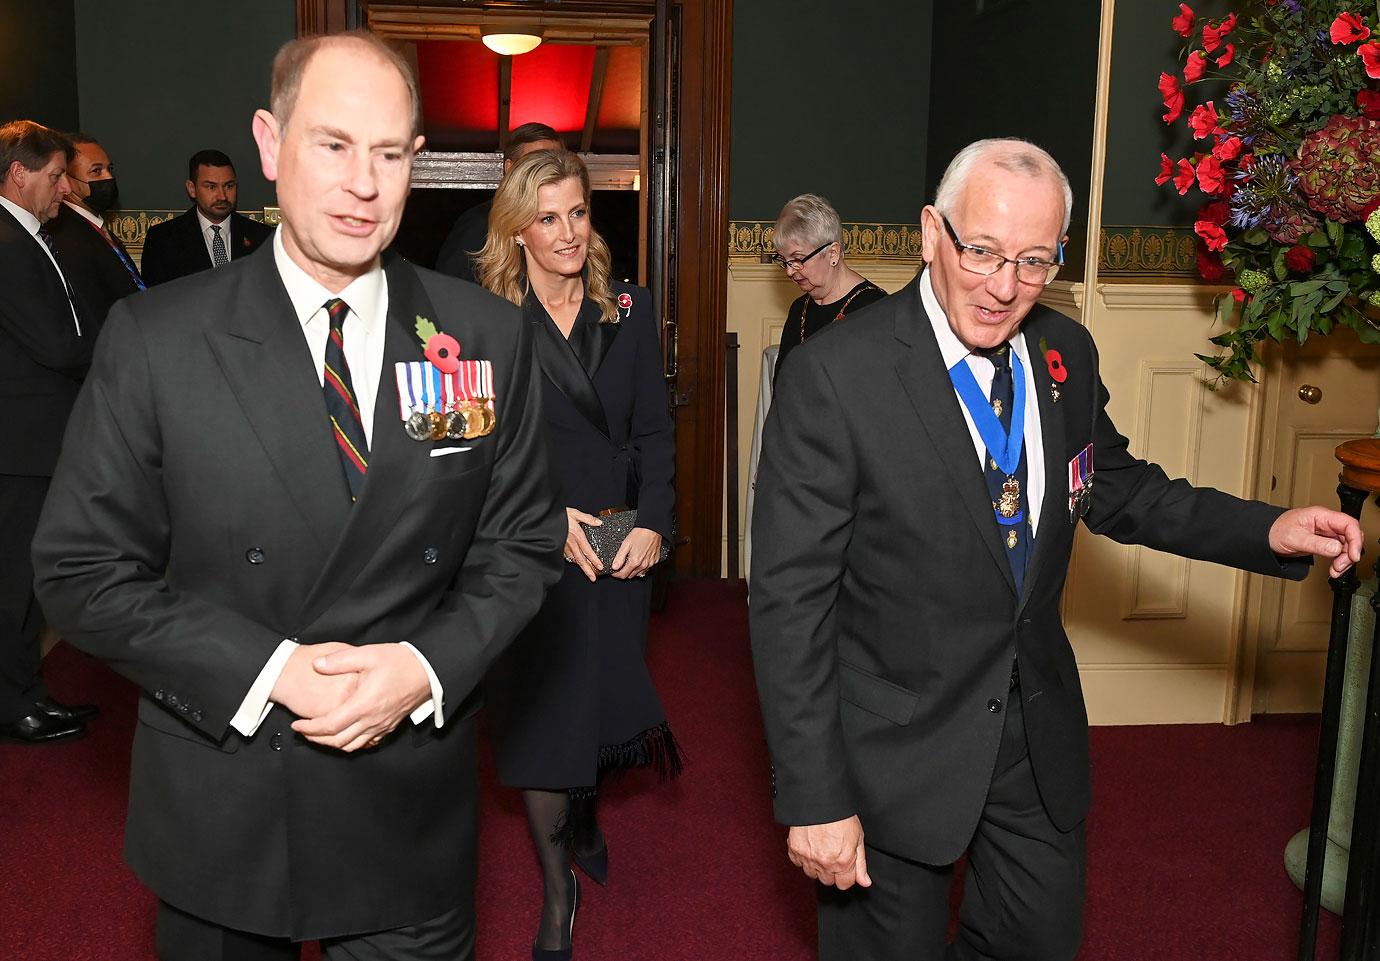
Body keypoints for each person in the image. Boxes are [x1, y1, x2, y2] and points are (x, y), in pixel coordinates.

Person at [748, 138, 1365, 961]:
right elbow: (790, 605)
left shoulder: (1064, 353)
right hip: (890, 752)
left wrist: (1267, 529)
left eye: (1035, 262)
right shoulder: (834, 377)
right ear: (932, 230)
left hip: (1033, 738)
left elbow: (1118, 486)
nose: (1004, 287)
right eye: (983, 252)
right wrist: (814, 796)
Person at [32, 30, 564, 961]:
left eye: (390, 153)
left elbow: (519, 546)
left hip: (409, 801)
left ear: (417, 163)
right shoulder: (158, 338)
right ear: (270, 145)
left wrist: (424, 668)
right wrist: (269, 669)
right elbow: (80, 572)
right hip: (227, 800)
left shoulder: (482, 335)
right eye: (333, 145)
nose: (364, 183)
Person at [475, 148, 678, 961]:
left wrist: (653, 523)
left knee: (594, 698)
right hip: (529, 540)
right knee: (543, 711)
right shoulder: (487, 319)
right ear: (518, 230)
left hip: (616, 533)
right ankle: (558, 892)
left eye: (578, 212)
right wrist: (540, 516)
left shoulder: (628, 306)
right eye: (547, 217)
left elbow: (657, 431)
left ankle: (585, 806)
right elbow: (473, 450)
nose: (566, 232)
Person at [0, 119, 98, 745]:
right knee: (14, 582)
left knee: (26, 581)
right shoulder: (6, 240)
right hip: (20, 443)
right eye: (56, 174)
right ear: (19, 173)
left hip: (35, 438)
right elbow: (57, 343)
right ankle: (14, 705)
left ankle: (23, 692)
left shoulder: (29, 234)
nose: (65, 186)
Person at [770, 193, 886, 386]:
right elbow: (782, 387)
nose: (790, 271)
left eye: (798, 259)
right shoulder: (799, 309)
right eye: (784, 261)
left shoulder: (875, 310)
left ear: (833, 253)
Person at [434, 121, 562, 283]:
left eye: (555, 162)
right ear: (509, 168)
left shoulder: (569, 225)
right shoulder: (480, 222)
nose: (548, 171)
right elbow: (448, 289)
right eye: (534, 163)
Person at [43, 132, 144, 323]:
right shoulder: (63, 234)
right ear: (67, 179)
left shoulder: (98, 227)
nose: (109, 177)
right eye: (96, 171)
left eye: (109, 169)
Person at [140, 149, 274, 286]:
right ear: (192, 189)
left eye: (228, 186)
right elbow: (156, 300)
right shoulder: (163, 240)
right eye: (211, 187)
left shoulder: (263, 238)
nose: (222, 196)